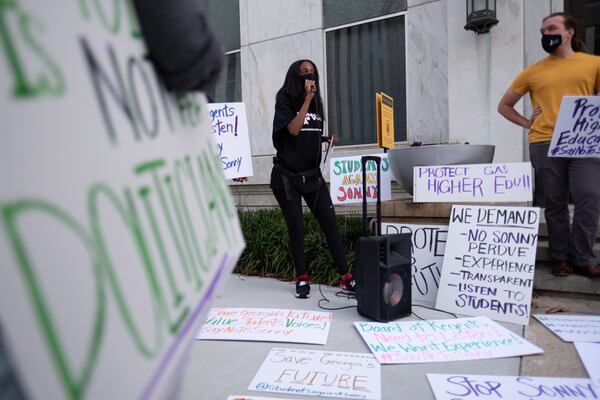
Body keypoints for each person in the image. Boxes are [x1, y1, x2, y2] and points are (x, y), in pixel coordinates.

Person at [498, 12, 600, 278]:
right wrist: (527, 123)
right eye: (543, 31)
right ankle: (560, 257)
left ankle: (584, 256)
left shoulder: (594, 64)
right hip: (544, 141)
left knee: (589, 197)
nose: (546, 35)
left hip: (583, 142)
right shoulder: (533, 71)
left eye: (552, 28)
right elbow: (504, 106)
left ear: (569, 32)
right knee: (554, 202)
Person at [271, 59, 355, 298]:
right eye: (304, 72)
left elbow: (306, 134)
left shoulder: (316, 102)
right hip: (287, 176)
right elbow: (293, 130)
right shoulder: (285, 99)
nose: (309, 76)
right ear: (294, 76)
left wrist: (325, 138)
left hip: (312, 176)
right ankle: (302, 279)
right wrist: (307, 100)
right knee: (297, 228)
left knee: (330, 224)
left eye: (312, 72)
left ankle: (347, 279)